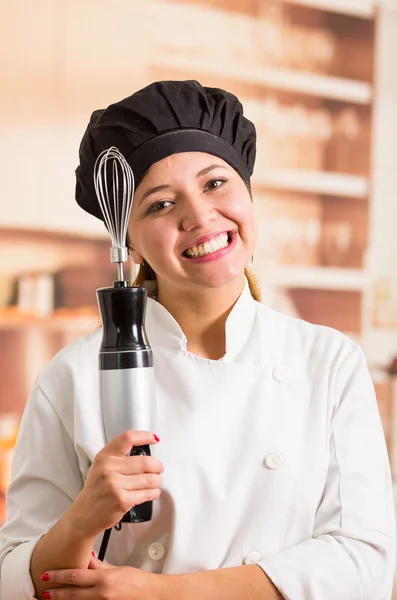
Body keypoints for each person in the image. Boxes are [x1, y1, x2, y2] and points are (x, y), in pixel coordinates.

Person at [0, 79, 395, 600]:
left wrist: (159, 593)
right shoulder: (71, 377)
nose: (199, 216)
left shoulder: (328, 361)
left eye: (214, 184)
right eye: (160, 205)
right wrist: (81, 520)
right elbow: (12, 579)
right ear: (130, 243)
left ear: (248, 193)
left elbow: (363, 564)